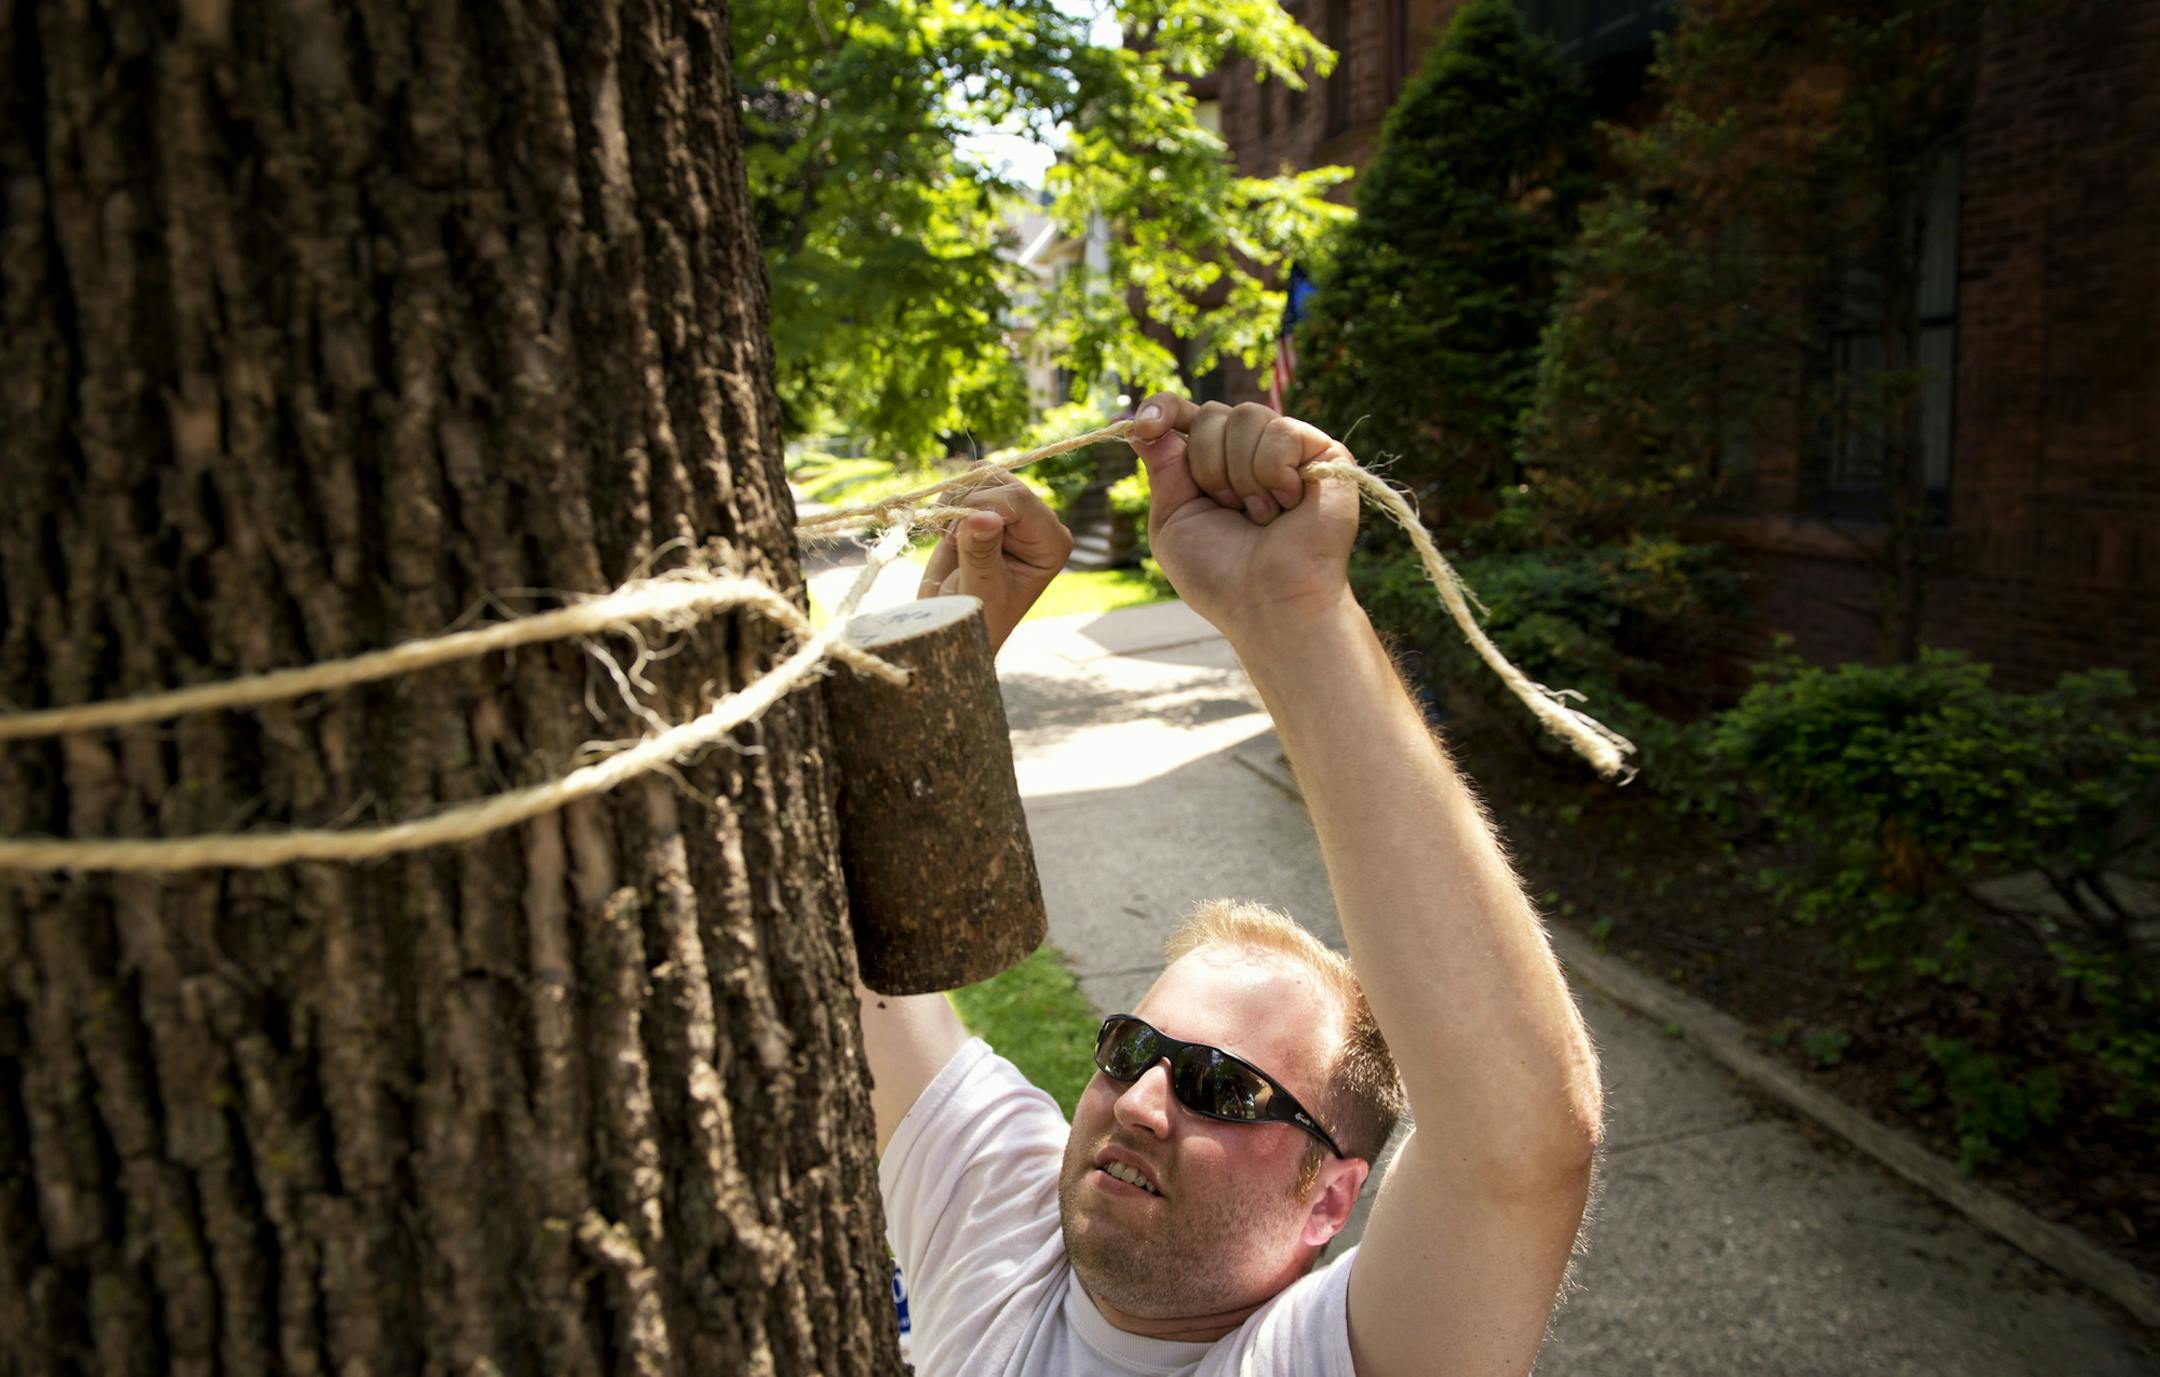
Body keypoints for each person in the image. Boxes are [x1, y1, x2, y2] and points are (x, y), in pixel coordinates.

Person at [859, 395, 1604, 1376]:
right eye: (1131, 1050)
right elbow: (835, 946)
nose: (1138, 1102)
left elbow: (1519, 1147)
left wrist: (1294, 613)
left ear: (1330, 1202)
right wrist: (931, 683)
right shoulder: (1002, 1230)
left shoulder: (1312, 1358)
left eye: (1220, 1087)